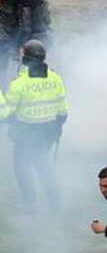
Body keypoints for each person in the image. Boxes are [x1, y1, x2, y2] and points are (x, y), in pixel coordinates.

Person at [4, 39, 65, 208]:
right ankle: (56, 205)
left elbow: (4, 114)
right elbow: (63, 112)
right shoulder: (56, 78)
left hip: (26, 136)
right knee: (43, 167)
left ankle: (31, 207)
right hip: (48, 134)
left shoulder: (19, 84)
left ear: (26, 59)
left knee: (22, 170)